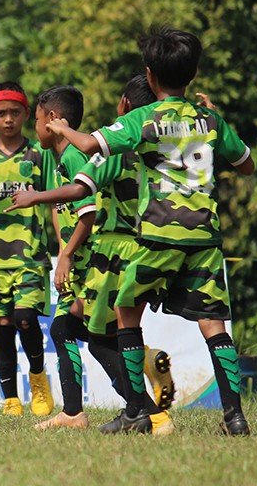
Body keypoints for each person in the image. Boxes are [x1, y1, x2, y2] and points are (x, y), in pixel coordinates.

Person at [28, 27, 256, 436]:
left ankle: (138, 409)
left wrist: (62, 130)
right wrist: (215, 121)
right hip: (206, 239)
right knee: (215, 326)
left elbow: (89, 146)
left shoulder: (142, 119)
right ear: (195, 73)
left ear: (149, 75)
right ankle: (235, 417)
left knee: (124, 312)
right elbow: (246, 164)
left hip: (159, 236)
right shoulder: (209, 120)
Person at [26, 82, 177, 433]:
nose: (34, 128)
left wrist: (65, 255)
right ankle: (136, 400)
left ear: (52, 119)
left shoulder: (80, 155)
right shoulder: (61, 156)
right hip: (100, 259)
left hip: (99, 261)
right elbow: (64, 209)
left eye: (36, 120)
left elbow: (86, 209)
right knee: (89, 334)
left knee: (84, 333)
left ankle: (142, 412)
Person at [0, 81, 57, 417]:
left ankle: (39, 381)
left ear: (26, 114)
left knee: (26, 319)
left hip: (31, 256)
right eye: (1, 113)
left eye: (15, 112)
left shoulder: (38, 154)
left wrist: (63, 252)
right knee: (2, 326)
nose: (8, 119)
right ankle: (10, 400)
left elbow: (55, 203)